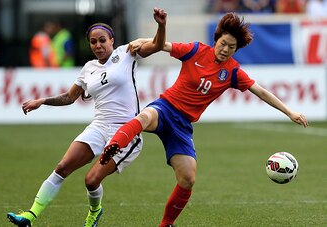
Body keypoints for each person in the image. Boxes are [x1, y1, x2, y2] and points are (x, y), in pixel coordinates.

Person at [99, 12, 309, 227]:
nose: (225, 49)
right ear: (216, 39)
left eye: (231, 47)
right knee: (144, 116)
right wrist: (139, 42)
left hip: (182, 126)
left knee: (188, 179)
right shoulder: (196, 50)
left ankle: (166, 225)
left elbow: (261, 92)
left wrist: (290, 112)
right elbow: (163, 45)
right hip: (165, 108)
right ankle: (115, 145)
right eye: (224, 43)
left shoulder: (233, 71)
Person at [7, 7, 167, 227]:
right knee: (62, 167)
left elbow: (158, 46)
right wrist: (42, 101)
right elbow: (70, 97)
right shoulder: (88, 68)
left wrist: (161, 24)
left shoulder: (126, 53)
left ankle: (95, 211)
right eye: (93, 42)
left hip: (126, 131)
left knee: (91, 181)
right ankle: (30, 215)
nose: (98, 45)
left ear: (112, 40)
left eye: (102, 40)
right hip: (99, 126)